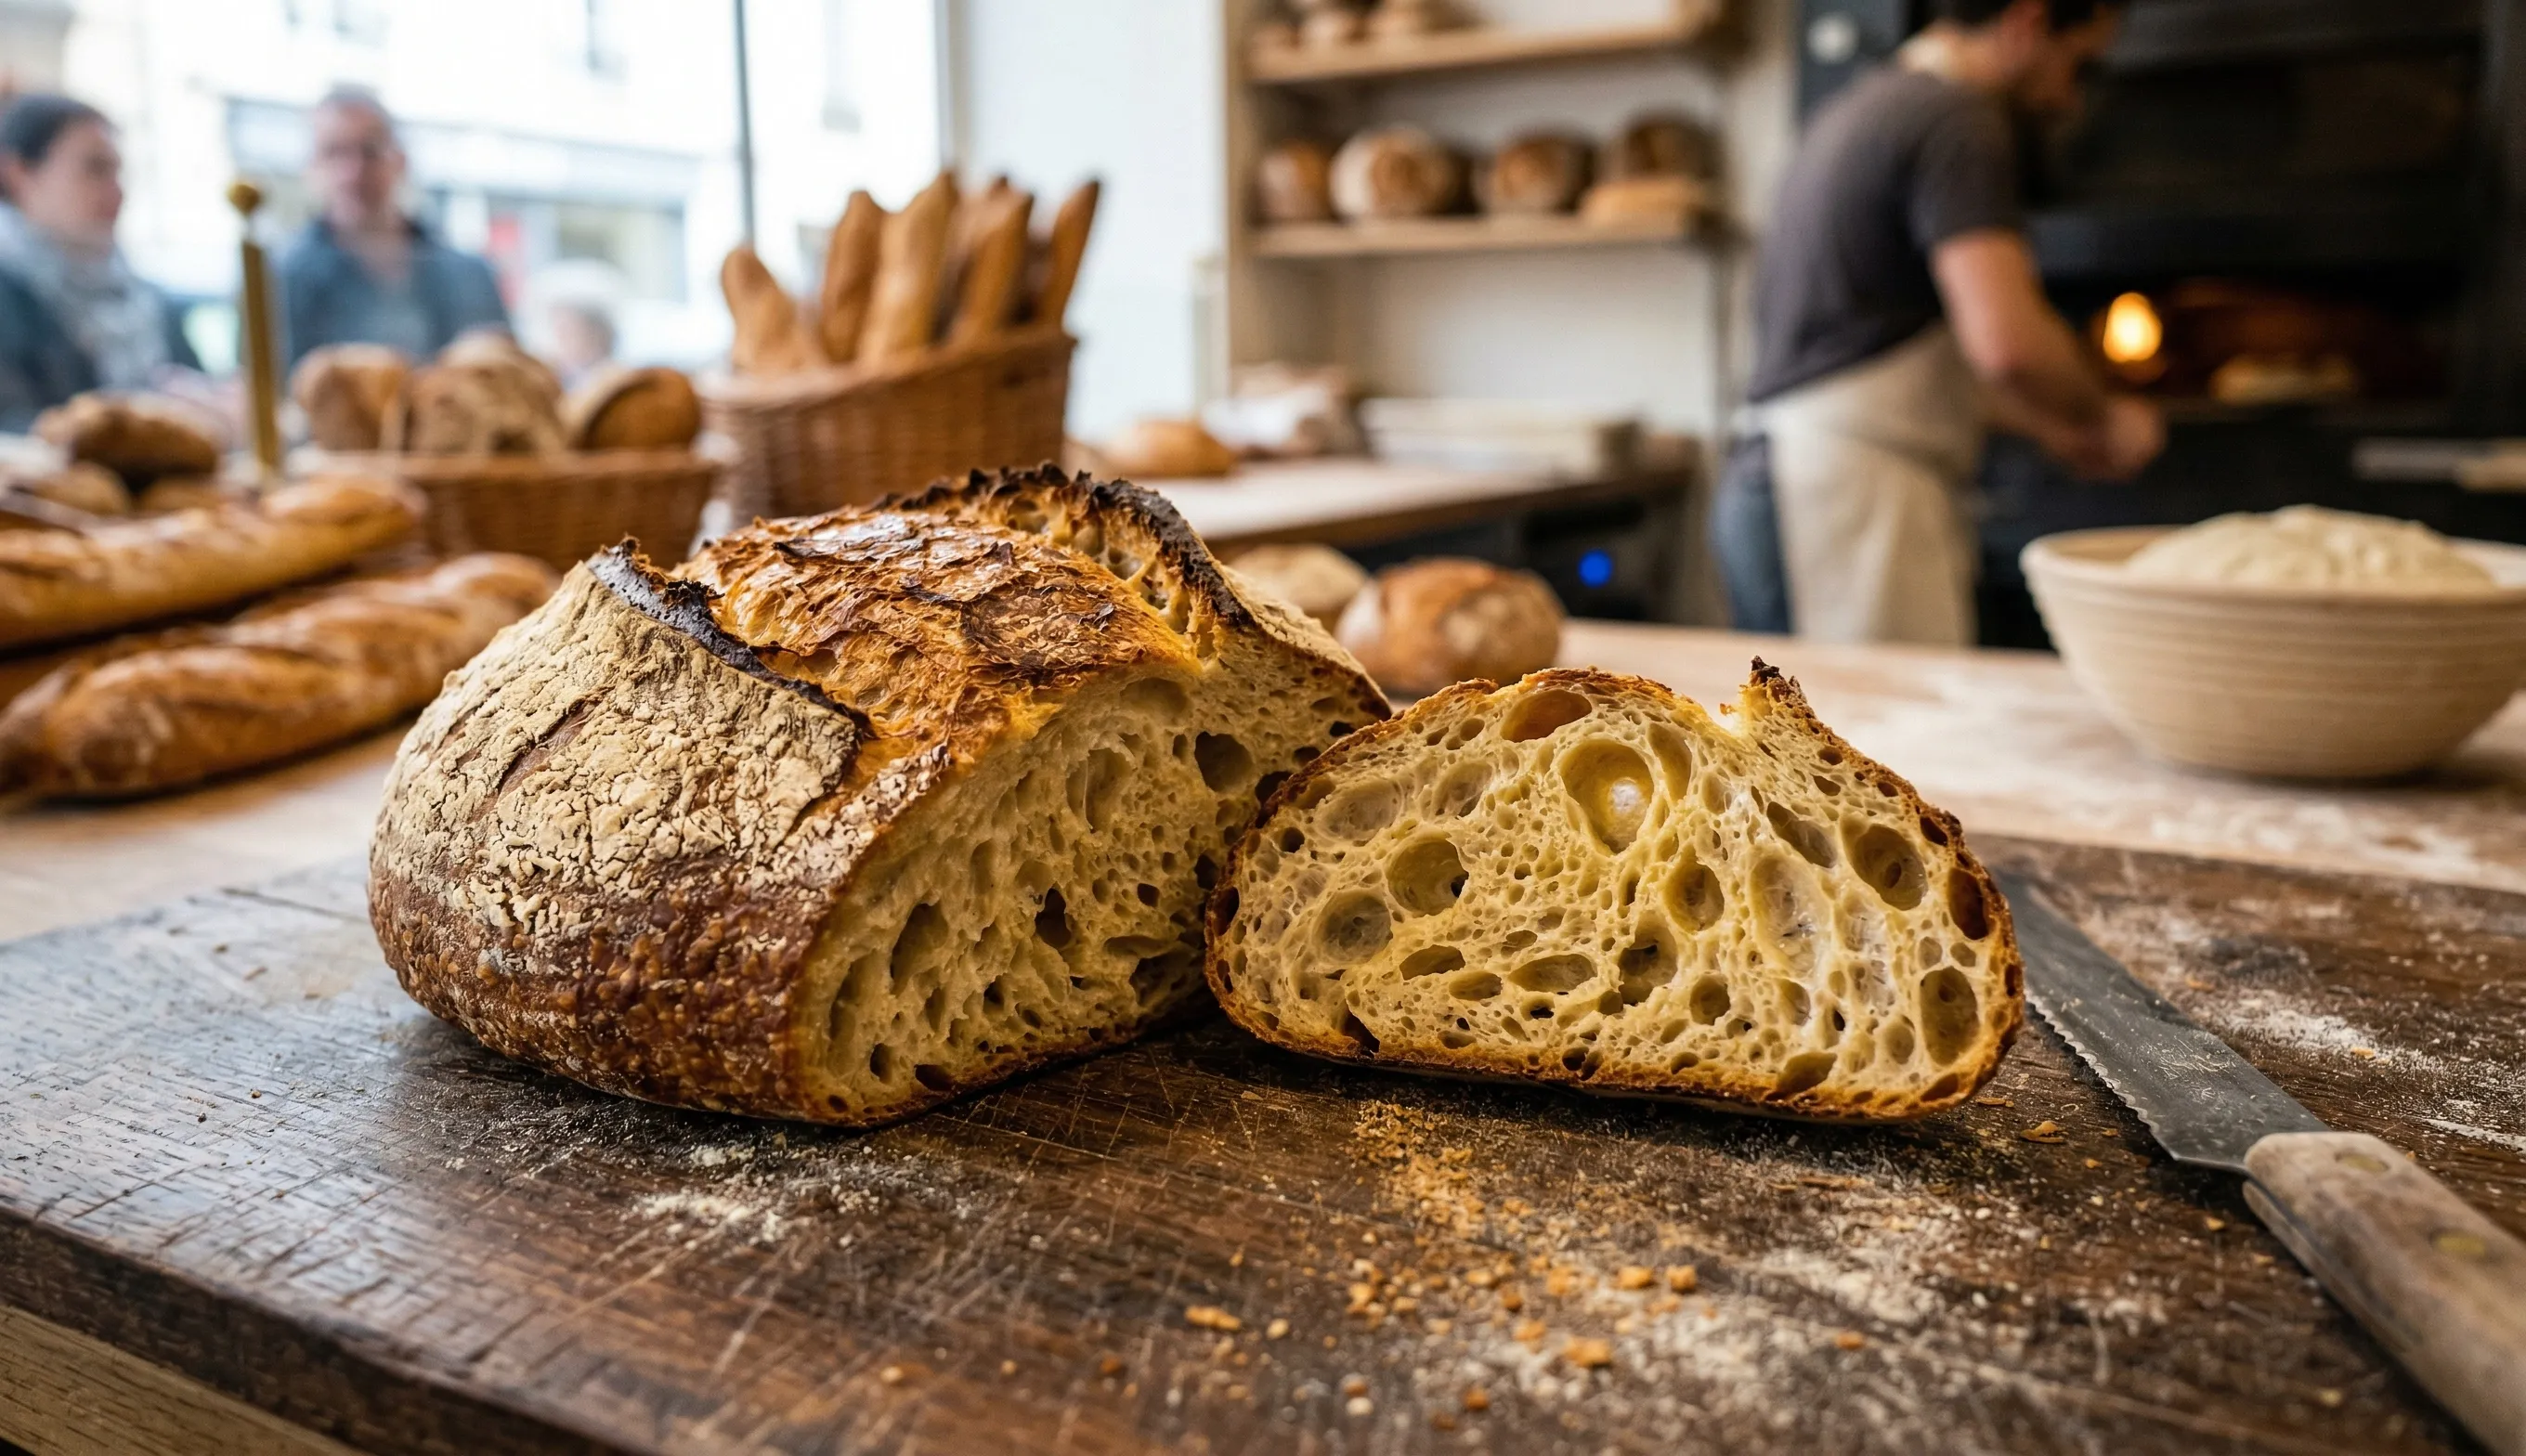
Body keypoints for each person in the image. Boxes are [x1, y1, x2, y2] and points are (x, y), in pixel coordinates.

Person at [1712, 0, 2164, 646]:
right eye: (2078, 64)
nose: (2068, 99)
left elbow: (1883, 356)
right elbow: (2006, 344)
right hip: (1841, 500)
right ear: (2028, 23)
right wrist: (2102, 416)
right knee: (1870, 714)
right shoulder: (1957, 119)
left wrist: (2050, 426)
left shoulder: (1866, 106)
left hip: (1787, 480)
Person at [0, 93, 202, 432]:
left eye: (118, 171)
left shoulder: (143, 297)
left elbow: (195, 389)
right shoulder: (10, 298)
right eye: (95, 168)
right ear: (20, 174)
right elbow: (13, 427)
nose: (118, 192)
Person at [277, 86, 510, 368]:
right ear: (310, 167)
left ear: (400, 160)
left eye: (370, 151)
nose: (353, 172)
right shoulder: (281, 280)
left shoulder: (470, 275)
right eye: (334, 152)